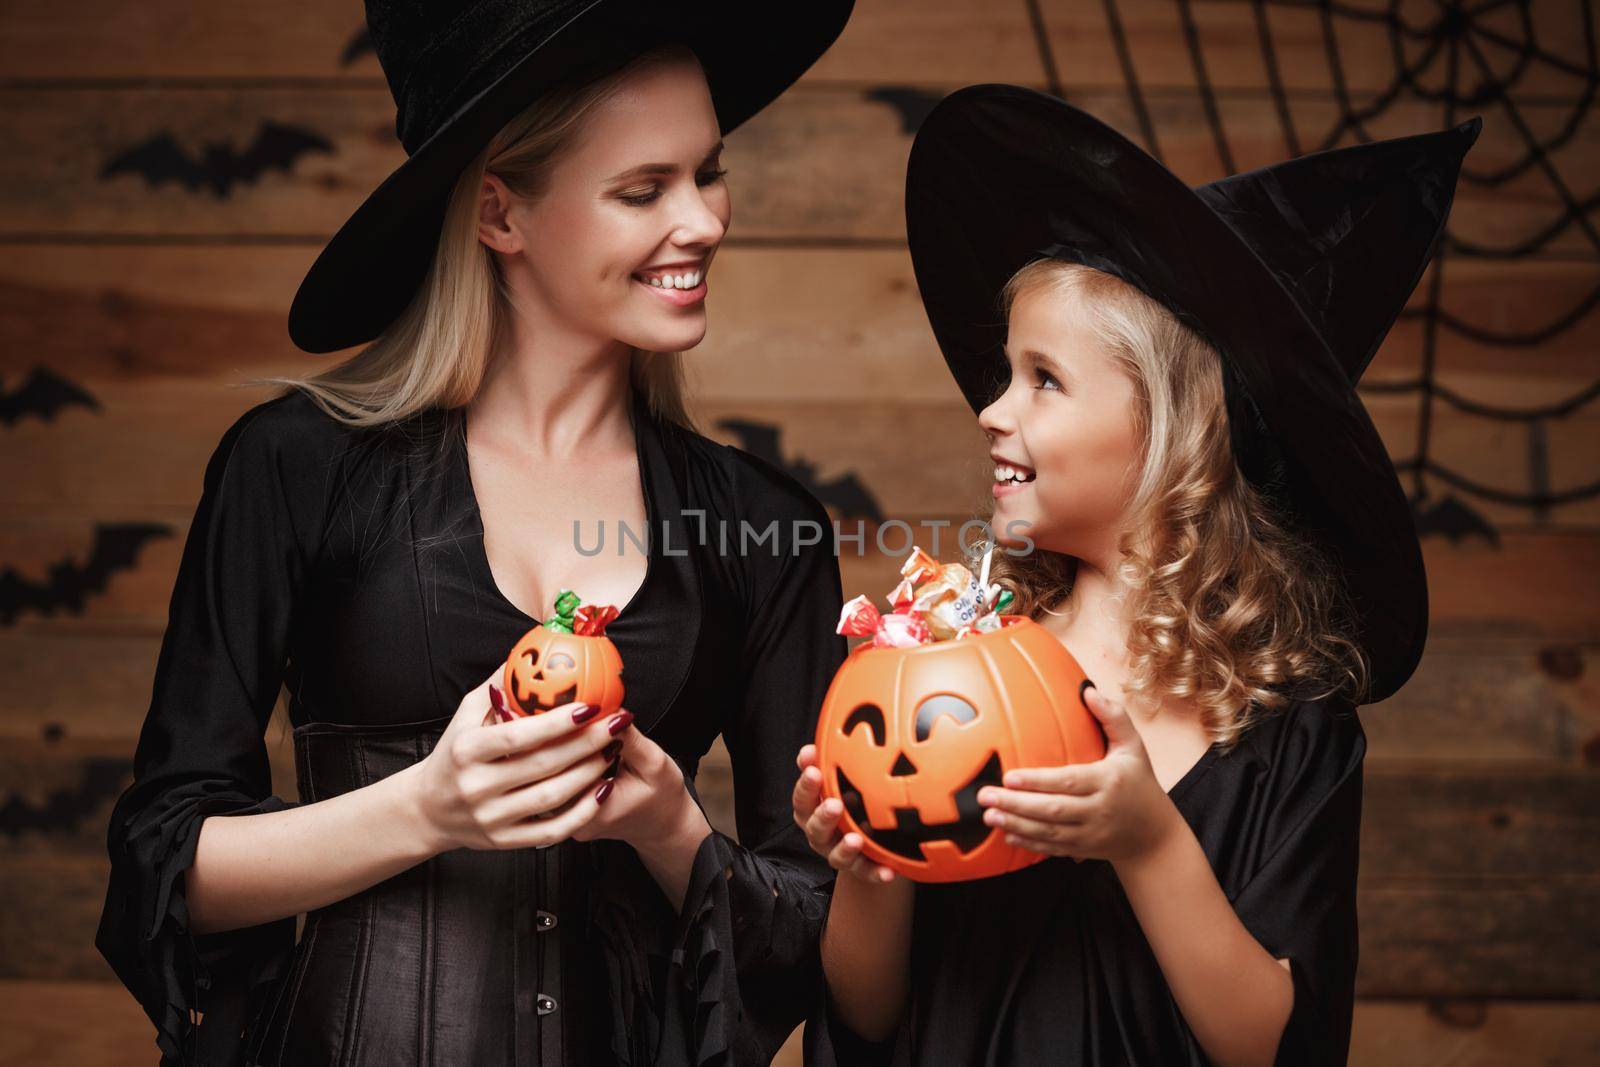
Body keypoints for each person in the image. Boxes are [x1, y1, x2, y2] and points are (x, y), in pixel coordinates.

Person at [93, 2, 857, 1064]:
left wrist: (672, 829)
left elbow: (827, 924)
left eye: (707, 173)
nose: (703, 220)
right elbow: (162, 861)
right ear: (500, 213)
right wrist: (428, 806)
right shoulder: (296, 467)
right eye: (643, 190)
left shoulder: (763, 530)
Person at [793, 84, 1482, 1066]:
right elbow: (866, 1014)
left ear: (1172, 434)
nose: (991, 409)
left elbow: (1272, 1045)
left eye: (1042, 378)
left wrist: (1147, 840)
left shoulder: (1291, 729)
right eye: (1002, 372)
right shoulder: (949, 668)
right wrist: (868, 865)